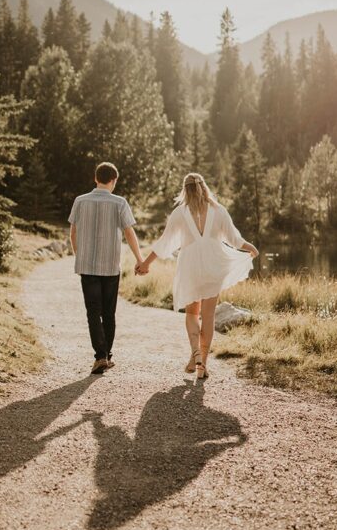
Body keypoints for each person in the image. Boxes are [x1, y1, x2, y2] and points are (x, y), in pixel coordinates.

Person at [136, 172, 258, 380]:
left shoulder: (179, 213)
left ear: (185, 190)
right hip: (214, 263)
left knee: (192, 314)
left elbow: (165, 242)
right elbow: (234, 239)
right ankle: (202, 366)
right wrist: (250, 247)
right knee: (208, 316)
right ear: (204, 187)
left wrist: (146, 264)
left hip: (191, 265)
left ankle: (195, 353)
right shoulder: (218, 210)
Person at [69, 161, 143, 374]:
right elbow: (129, 233)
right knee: (108, 313)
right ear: (114, 181)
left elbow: (73, 232)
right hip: (111, 266)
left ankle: (100, 356)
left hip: (88, 266)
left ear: (95, 178)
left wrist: (79, 255)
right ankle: (106, 355)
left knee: (93, 312)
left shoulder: (80, 201)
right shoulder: (119, 203)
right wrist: (139, 259)